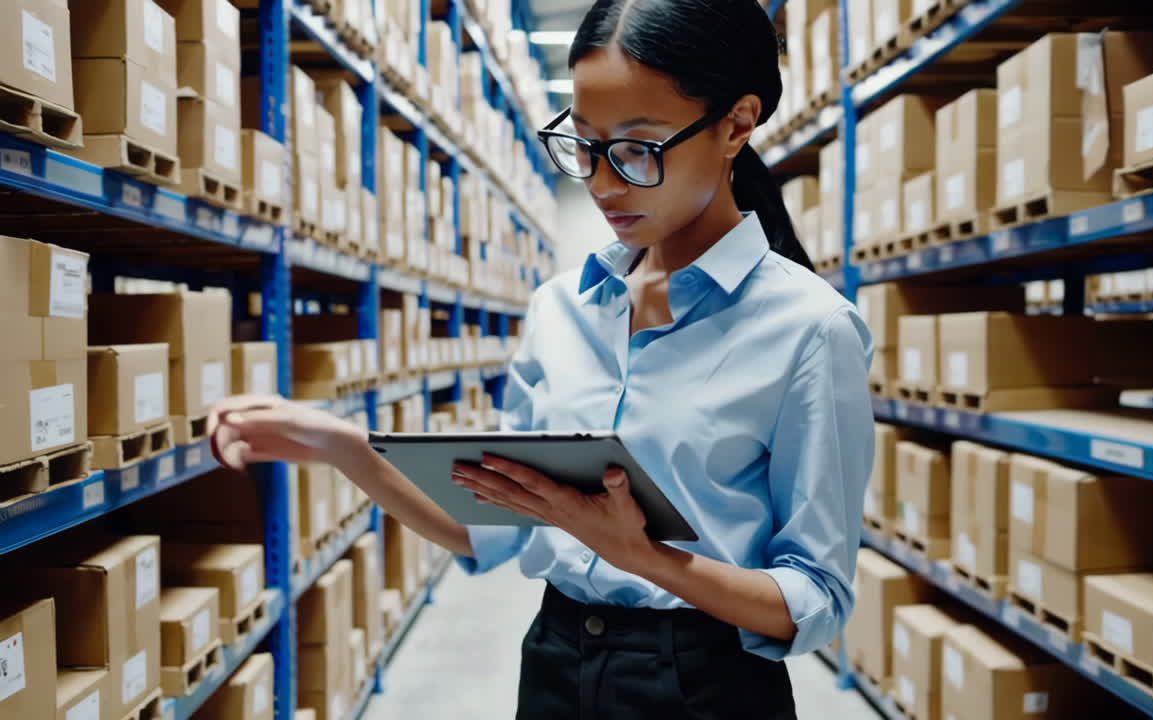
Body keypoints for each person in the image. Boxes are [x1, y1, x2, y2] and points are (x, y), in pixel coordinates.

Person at [209, 0, 874, 716]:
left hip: (705, 684)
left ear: (736, 125)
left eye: (638, 149)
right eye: (584, 144)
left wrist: (646, 557)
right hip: (555, 661)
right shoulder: (562, 310)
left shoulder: (810, 330)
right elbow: (487, 527)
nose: (602, 183)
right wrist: (342, 447)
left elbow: (817, 597)